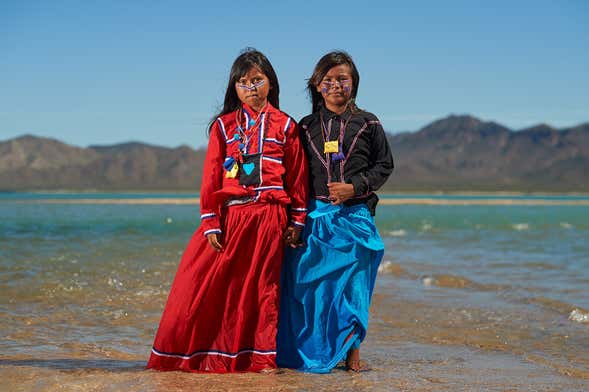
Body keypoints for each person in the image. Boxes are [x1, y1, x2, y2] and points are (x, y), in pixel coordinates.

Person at [147, 48, 308, 373]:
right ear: (234, 87)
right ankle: (186, 357)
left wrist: (298, 219)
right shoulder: (223, 127)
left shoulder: (287, 125)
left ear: (270, 84)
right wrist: (211, 222)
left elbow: (298, 175)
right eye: (243, 82)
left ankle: (259, 360)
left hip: (268, 218)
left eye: (257, 80)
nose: (251, 88)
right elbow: (211, 176)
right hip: (231, 219)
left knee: (262, 290)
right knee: (197, 286)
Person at [277, 51, 394, 373]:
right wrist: (293, 220)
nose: (336, 85)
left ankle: (353, 353)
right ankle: (307, 350)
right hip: (315, 221)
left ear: (354, 82)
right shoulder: (305, 126)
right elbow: (295, 174)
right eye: (327, 80)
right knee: (311, 290)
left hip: (355, 218)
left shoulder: (369, 122)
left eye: (342, 78)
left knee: (353, 289)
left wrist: (354, 188)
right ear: (316, 85)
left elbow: (385, 166)